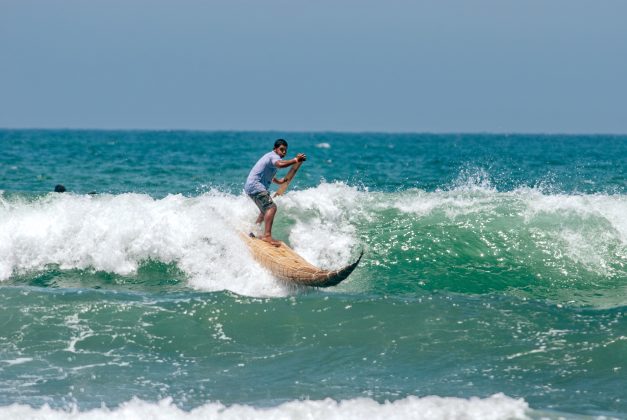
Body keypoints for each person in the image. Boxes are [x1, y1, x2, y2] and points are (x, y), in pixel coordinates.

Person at [244, 139, 306, 246]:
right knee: (271, 208)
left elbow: (267, 173)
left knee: (264, 211)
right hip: (256, 186)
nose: (284, 152)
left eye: (285, 150)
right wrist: (295, 160)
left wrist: (279, 181)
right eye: (281, 149)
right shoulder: (273, 156)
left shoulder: (270, 157)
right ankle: (267, 236)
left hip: (251, 187)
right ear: (275, 149)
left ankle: (253, 231)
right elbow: (280, 164)